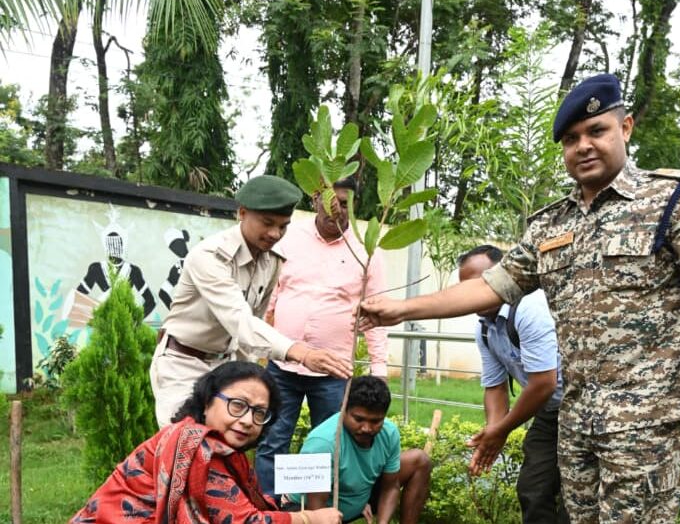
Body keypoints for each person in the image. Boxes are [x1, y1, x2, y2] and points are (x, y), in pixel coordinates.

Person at [357, 74, 680, 523]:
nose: (583, 146)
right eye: (571, 139)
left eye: (597, 131)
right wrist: (400, 311)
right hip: (575, 422)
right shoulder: (550, 225)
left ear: (626, 127)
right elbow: (490, 286)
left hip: (645, 423)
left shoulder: (675, 201)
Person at [150, 175, 352, 427]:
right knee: (184, 444)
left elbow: (251, 330)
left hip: (226, 366)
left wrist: (249, 379)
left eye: (283, 226)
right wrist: (300, 352)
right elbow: (240, 321)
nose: (275, 234)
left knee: (227, 447)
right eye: (267, 223)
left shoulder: (272, 260)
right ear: (242, 213)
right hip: (183, 363)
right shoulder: (210, 257)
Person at [70, 361, 343, 523]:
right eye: (237, 405)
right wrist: (309, 518)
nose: (248, 420)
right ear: (207, 401)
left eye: (259, 412)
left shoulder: (219, 450)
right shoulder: (194, 446)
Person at [256, 177, 388, 497]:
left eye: (345, 203)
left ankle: (319, 513)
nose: (337, 210)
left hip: (333, 371)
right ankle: (271, 512)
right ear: (315, 198)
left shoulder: (366, 250)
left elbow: (378, 314)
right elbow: (271, 298)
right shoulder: (290, 240)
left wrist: (379, 370)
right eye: (331, 200)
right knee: (271, 440)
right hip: (283, 364)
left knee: (328, 446)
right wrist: (261, 348)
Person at [458, 244, 568, 523]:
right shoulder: (484, 328)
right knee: (533, 488)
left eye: (480, 283)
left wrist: (503, 429)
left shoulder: (530, 306)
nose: (472, 294)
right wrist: (493, 431)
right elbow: (495, 386)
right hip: (549, 411)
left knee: (576, 498)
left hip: (582, 407)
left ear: (503, 275)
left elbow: (544, 383)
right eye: (464, 287)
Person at [283, 376, 431, 524]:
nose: (366, 428)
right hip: (311, 509)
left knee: (419, 461)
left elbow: (391, 487)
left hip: (359, 493)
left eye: (375, 421)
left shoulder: (389, 433)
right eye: (359, 419)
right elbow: (317, 511)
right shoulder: (323, 443)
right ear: (344, 409)